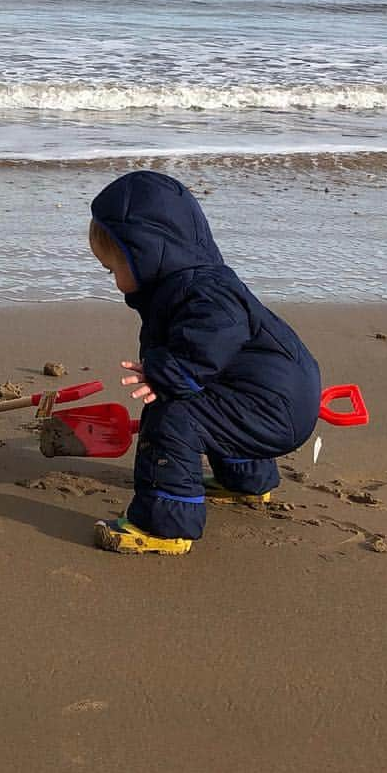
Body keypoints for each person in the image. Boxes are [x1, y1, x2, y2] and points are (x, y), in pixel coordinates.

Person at [88, 170, 321, 555]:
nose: (113, 282)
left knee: (173, 417)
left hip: (276, 405)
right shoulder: (180, 285)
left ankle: (165, 526)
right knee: (212, 404)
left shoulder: (205, 290)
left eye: (114, 268)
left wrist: (172, 371)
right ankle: (245, 481)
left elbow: (220, 330)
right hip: (274, 395)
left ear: (145, 252)